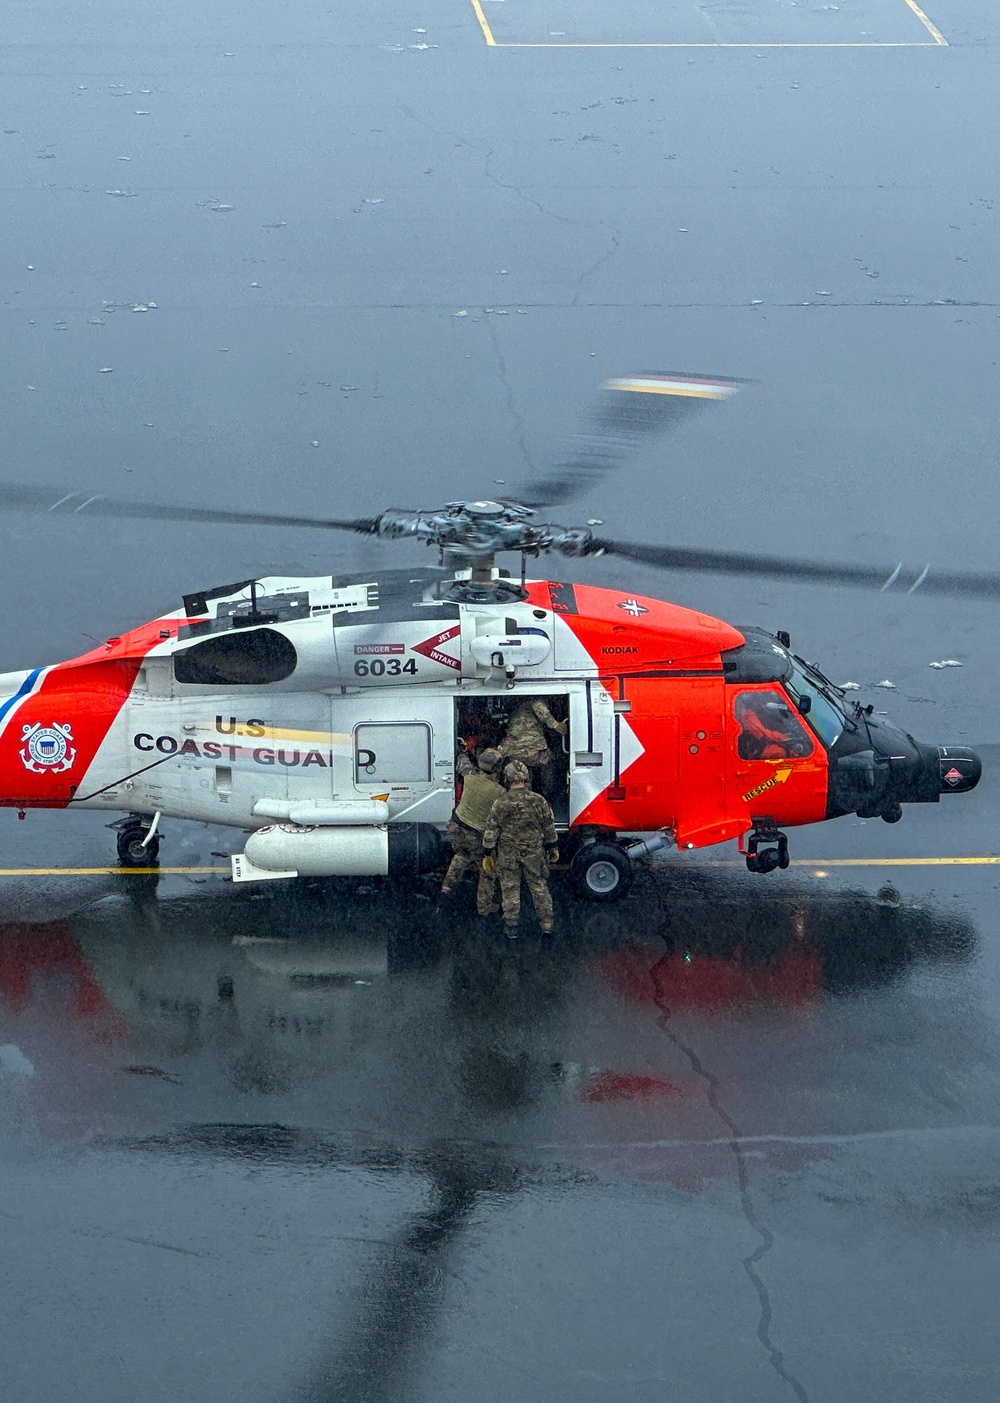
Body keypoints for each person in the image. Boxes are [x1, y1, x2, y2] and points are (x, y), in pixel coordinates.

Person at [481, 759, 559, 936]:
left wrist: (487, 853)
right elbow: (548, 825)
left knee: (510, 888)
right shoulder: (539, 800)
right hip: (533, 852)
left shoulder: (501, 802)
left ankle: (511, 926)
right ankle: (546, 923)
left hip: (508, 853)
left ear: (507, 778)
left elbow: (492, 830)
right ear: (526, 777)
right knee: (539, 886)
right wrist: (553, 846)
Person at [440, 747, 504, 914]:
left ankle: (446, 889)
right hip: (475, 835)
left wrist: (461, 749)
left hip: (457, 829)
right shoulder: (498, 792)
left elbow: (462, 762)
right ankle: (484, 907)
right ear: (497, 769)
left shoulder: (469, 777)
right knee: (487, 871)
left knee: (461, 856)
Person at [499, 699, 568, 794]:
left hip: (513, 751)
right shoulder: (534, 701)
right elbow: (539, 706)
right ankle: (548, 793)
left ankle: (523, 795)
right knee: (549, 761)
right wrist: (555, 725)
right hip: (532, 748)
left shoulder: (517, 710)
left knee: (522, 774)